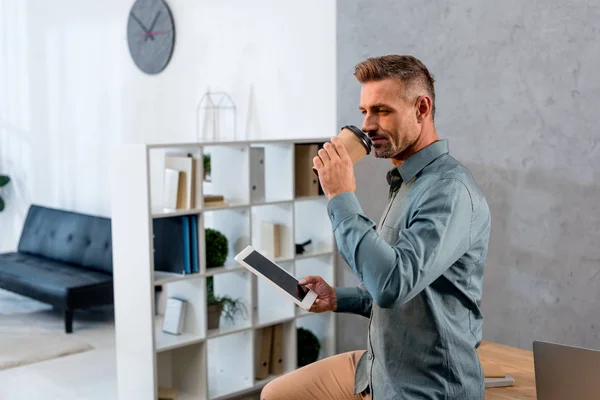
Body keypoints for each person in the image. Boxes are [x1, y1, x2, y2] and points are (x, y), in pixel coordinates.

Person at [261, 54, 491, 400]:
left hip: (423, 387)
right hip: (375, 370)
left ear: (422, 109)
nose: (368, 125)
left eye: (382, 111)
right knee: (278, 394)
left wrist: (340, 194)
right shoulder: (407, 183)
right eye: (364, 112)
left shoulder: (448, 191)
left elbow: (391, 286)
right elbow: (395, 279)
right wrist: (337, 297)